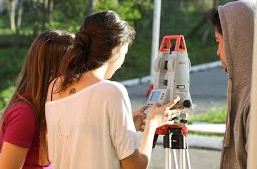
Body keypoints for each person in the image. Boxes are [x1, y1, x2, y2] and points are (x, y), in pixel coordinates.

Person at [45, 10, 182, 169]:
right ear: (116, 49)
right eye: (125, 51)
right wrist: (152, 124)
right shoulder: (111, 92)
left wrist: (123, 126)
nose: (122, 62)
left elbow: (76, 140)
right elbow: (136, 166)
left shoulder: (55, 86)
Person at [0, 30, 74, 169]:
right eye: (73, 69)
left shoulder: (49, 109)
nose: (77, 77)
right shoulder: (24, 115)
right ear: (54, 72)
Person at [208, 0, 255, 169]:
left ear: (235, 40)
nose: (218, 51)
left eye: (218, 41)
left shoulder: (254, 99)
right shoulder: (246, 91)